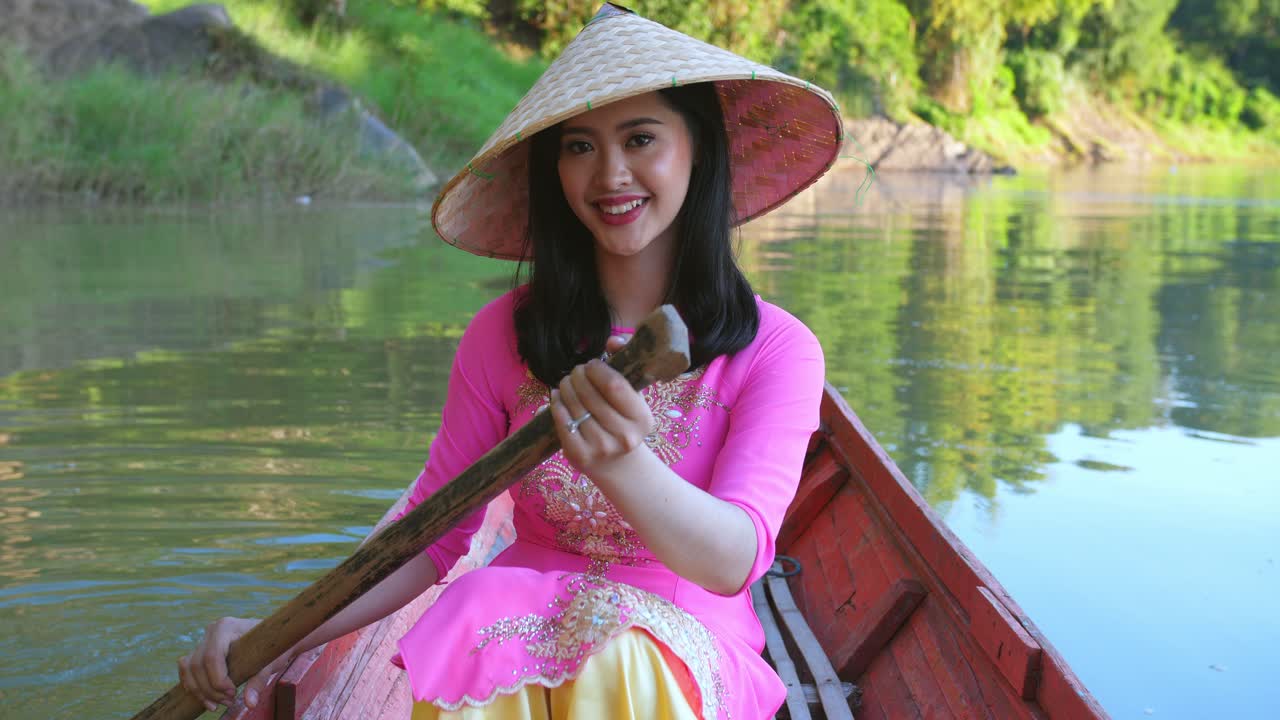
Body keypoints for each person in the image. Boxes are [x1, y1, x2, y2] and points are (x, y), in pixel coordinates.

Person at [177, 4, 843, 718]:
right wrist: (282, 636)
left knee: (614, 655)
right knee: (489, 613)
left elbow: (733, 559)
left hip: (680, 664)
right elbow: (430, 532)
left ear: (698, 148)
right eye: (579, 147)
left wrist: (621, 464)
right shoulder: (503, 335)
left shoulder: (776, 349)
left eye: (641, 138)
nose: (611, 174)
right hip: (511, 648)